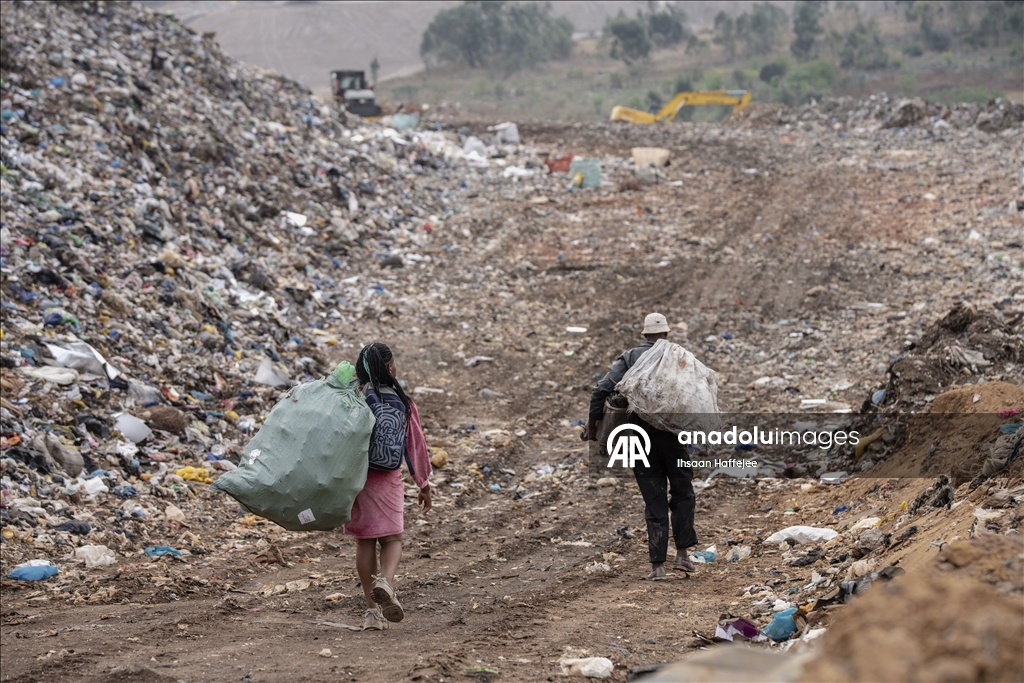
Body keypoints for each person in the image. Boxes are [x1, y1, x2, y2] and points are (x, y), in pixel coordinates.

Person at [587, 313, 698, 579]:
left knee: (654, 499)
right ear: (666, 334)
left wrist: (593, 426)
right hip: (673, 439)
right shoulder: (678, 356)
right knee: (683, 493)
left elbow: (601, 390)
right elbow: (694, 395)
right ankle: (682, 555)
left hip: (639, 440)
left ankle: (657, 567)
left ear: (645, 335)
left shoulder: (630, 357)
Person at [345, 342, 432, 630]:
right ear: (390, 367)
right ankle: (386, 582)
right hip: (388, 479)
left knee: (365, 541)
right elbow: (414, 446)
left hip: (358, 480)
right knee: (392, 539)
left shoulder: (355, 397)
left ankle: (372, 612)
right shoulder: (403, 401)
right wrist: (423, 482)